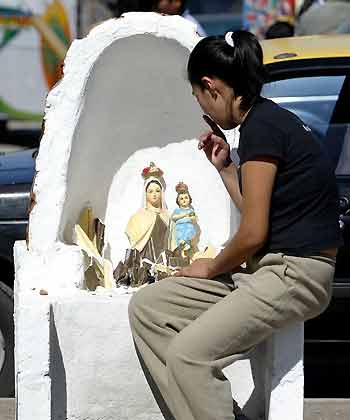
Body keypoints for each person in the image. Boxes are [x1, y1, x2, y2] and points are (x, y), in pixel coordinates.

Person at [129, 30, 342, 420]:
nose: (199, 103)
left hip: (296, 274)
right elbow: (257, 215)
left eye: (197, 95)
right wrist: (226, 168)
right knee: (148, 307)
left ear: (210, 87)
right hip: (269, 270)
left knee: (189, 356)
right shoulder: (264, 123)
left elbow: (253, 234)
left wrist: (209, 267)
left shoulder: (264, 128)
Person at [125, 162, 170, 262]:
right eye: (150, 191)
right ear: (145, 194)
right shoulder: (137, 217)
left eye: (157, 191)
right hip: (145, 262)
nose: (154, 194)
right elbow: (134, 240)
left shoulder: (167, 216)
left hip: (165, 261)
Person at [169, 181, 200, 254]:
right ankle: (182, 243)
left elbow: (195, 219)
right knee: (179, 234)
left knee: (189, 232)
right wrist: (183, 215)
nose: (184, 200)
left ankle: (187, 244)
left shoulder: (191, 210)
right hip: (180, 226)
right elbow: (173, 217)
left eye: (186, 198)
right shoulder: (177, 210)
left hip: (189, 226)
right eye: (181, 199)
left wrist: (193, 218)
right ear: (178, 201)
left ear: (189, 199)